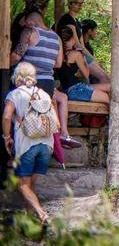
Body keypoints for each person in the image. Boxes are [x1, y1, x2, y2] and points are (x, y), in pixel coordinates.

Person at [10, 0, 80, 149]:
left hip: (29, 83)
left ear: (31, 19)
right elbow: (58, 63)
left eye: (26, 20)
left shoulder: (29, 31)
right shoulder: (56, 37)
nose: (25, 23)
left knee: (13, 110)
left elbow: (16, 56)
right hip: (47, 84)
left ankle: (14, 150)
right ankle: (59, 137)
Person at [2, 63, 57, 223]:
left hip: (27, 145)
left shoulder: (15, 94)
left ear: (16, 77)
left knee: (22, 185)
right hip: (47, 145)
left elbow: (6, 116)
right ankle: (28, 216)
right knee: (30, 183)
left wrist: (7, 137)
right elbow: (57, 122)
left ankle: (42, 214)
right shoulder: (44, 94)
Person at [56, 0, 109, 83]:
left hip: (79, 53)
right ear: (70, 4)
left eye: (81, 3)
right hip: (70, 54)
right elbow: (77, 44)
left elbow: (82, 46)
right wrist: (92, 60)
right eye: (77, 3)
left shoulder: (76, 21)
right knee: (104, 77)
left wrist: (94, 60)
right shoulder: (67, 19)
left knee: (105, 76)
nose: (80, 5)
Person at [55, 27, 111, 104]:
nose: (75, 41)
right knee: (106, 97)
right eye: (73, 39)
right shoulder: (76, 54)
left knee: (109, 87)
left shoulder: (57, 55)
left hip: (68, 89)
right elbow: (86, 75)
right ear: (71, 40)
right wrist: (84, 60)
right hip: (76, 90)